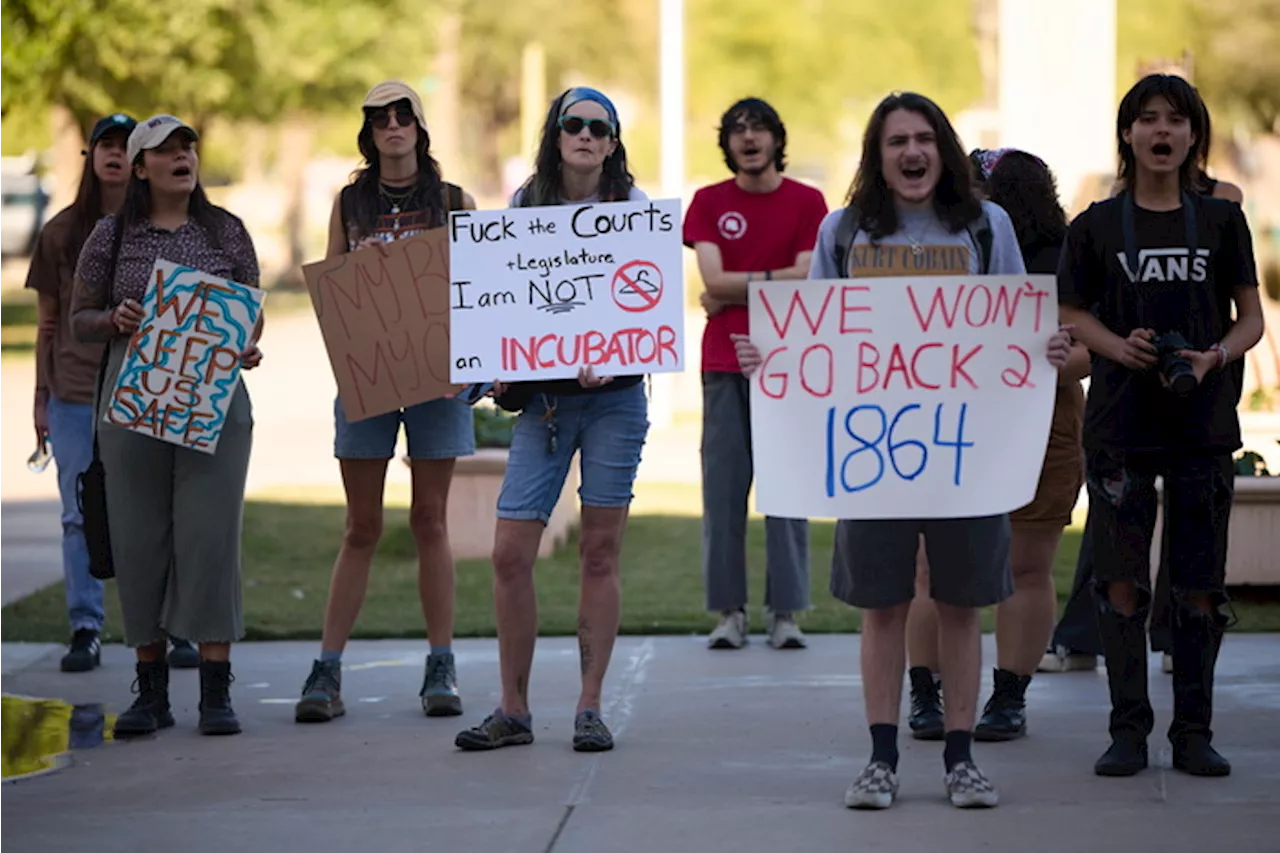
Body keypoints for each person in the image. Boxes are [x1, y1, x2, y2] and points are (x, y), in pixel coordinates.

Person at [732, 91, 1073, 809]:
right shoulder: (845, 231)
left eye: (923, 139)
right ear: (877, 156)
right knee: (884, 606)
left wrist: (1044, 347)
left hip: (964, 455)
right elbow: (816, 336)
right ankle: (881, 758)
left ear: (942, 149)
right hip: (872, 458)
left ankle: (961, 759)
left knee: (960, 603)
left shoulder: (986, 226)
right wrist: (773, 357)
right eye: (896, 142)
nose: (912, 152)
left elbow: (1015, 322)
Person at [1058, 73, 1263, 778]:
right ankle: (1127, 732)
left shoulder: (1220, 221)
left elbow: (1253, 319)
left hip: (1203, 425)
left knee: (1200, 586)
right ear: (1127, 133)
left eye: (1176, 120)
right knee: (1120, 584)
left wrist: (1213, 357)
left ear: (1193, 134)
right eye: (1147, 119)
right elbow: (1072, 311)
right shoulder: (1094, 225)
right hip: (1120, 426)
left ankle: (1194, 732)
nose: (1162, 132)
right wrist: (1119, 348)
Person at [453, 86, 649, 754]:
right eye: (575, 124)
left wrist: (613, 353)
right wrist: (496, 368)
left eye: (601, 127)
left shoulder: (633, 209)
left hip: (614, 400)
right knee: (510, 553)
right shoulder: (527, 205)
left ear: (615, 142)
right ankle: (514, 707)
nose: (587, 135)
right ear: (557, 133)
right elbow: (503, 303)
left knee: (599, 549)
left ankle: (589, 707)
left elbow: (643, 309)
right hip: (541, 403)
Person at [69, 114, 265, 737]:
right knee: (139, 539)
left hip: (213, 393)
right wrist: (112, 319)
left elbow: (252, 311)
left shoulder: (226, 230)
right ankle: (150, 692)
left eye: (188, 146)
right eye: (165, 150)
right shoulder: (111, 235)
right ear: (139, 166)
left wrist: (245, 341)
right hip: (133, 394)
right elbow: (79, 318)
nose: (182, 156)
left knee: (210, 539)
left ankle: (215, 692)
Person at [293, 80, 478, 724]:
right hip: (368, 380)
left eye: (404, 116)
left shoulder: (455, 201)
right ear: (368, 133)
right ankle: (328, 668)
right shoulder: (349, 203)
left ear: (421, 128)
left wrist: (471, 365)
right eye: (380, 119)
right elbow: (336, 289)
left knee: (431, 520)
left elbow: (477, 290)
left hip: (437, 380)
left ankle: (441, 663)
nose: (393, 126)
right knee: (361, 526)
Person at [901, 148, 1090, 743]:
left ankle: (1008, 697)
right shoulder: (930, 252)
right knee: (933, 565)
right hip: (947, 416)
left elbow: (1089, 351)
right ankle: (926, 693)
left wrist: (1022, 369)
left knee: (1025, 565)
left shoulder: (1066, 262)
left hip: (1042, 422)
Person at [683, 97, 828, 651]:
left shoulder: (808, 201)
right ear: (727, 144)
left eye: (759, 128)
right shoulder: (708, 203)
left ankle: (786, 614)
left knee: (787, 489)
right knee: (723, 494)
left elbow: (808, 274)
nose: (749, 139)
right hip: (723, 361)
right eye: (738, 130)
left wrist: (735, 288)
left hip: (790, 366)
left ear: (776, 139)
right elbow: (711, 279)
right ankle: (729, 613)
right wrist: (774, 279)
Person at [26, 113, 134, 673]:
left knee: (148, 512)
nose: (114, 155)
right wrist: (40, 397)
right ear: (90, 156)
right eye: (105, 145)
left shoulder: (156, 229)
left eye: (124, 146)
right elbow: (47, 322)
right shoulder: (61, 232)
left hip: (140, 390)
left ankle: (166, 626)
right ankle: (85, 626)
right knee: (77, 514)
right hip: (72, 391)